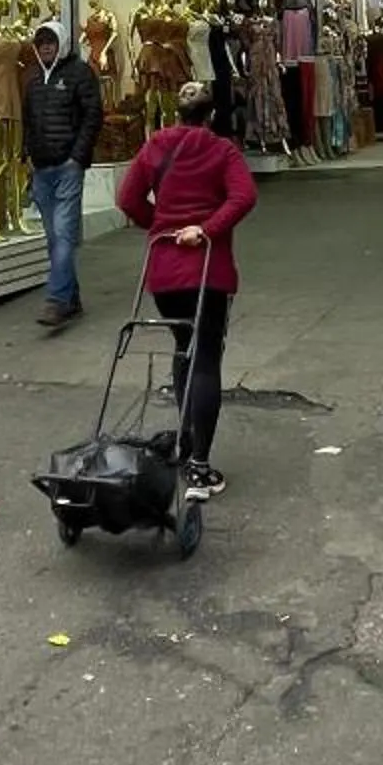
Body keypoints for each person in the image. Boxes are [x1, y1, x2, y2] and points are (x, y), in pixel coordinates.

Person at [116, 79, 258, 499]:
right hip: (208, 270)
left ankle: (183, 437)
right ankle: (199, 464)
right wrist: (206, 229)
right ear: (211, 115)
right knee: (207, 358)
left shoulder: (156, 144)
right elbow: (244, 197)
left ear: (175, 113)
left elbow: (128, 199)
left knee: (184, 349)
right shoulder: (221, 150)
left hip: (164, 271)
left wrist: (159, 225)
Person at [24, 20, 103, 331]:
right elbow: (28, 120)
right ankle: (71, 298)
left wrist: (77, 158)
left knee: (64, 234)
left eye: (51, 41)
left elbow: (93, 115)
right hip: (41, 170)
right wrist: (26, 155)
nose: (45, 46)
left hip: (67, 168)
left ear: (62, 43)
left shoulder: (80, 73)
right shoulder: (32, 79)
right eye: (40, 41)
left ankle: (56, 300)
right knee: (54, 238)